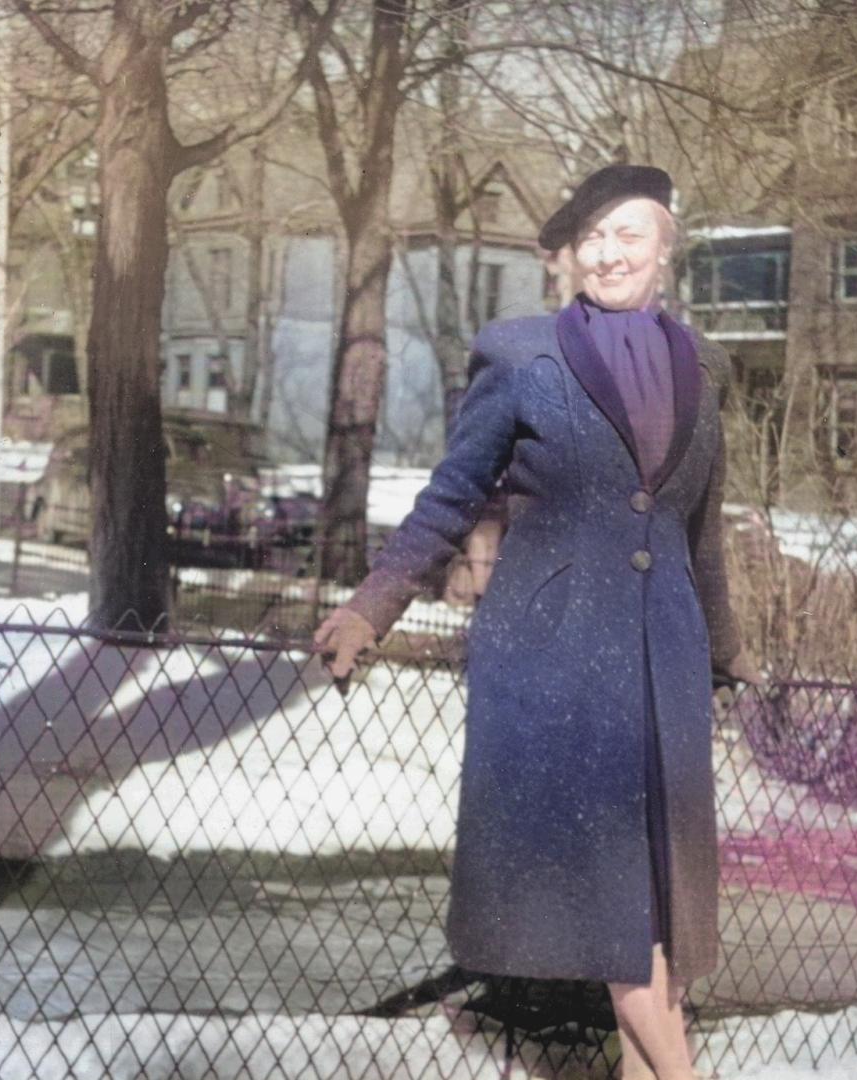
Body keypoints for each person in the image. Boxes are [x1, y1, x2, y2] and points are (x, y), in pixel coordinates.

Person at [314, 164, 763, 1080]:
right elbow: (451, 496)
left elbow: (700, 532)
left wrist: (725, 651)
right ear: (568, 257)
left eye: (628, 235)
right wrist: (374, 604)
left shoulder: (703, 367)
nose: (608, 253)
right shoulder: (522, 356)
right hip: (557, 664)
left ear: (667, 247)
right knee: (620, 919)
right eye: (591, 238)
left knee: (664, 915)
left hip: (661, 666)